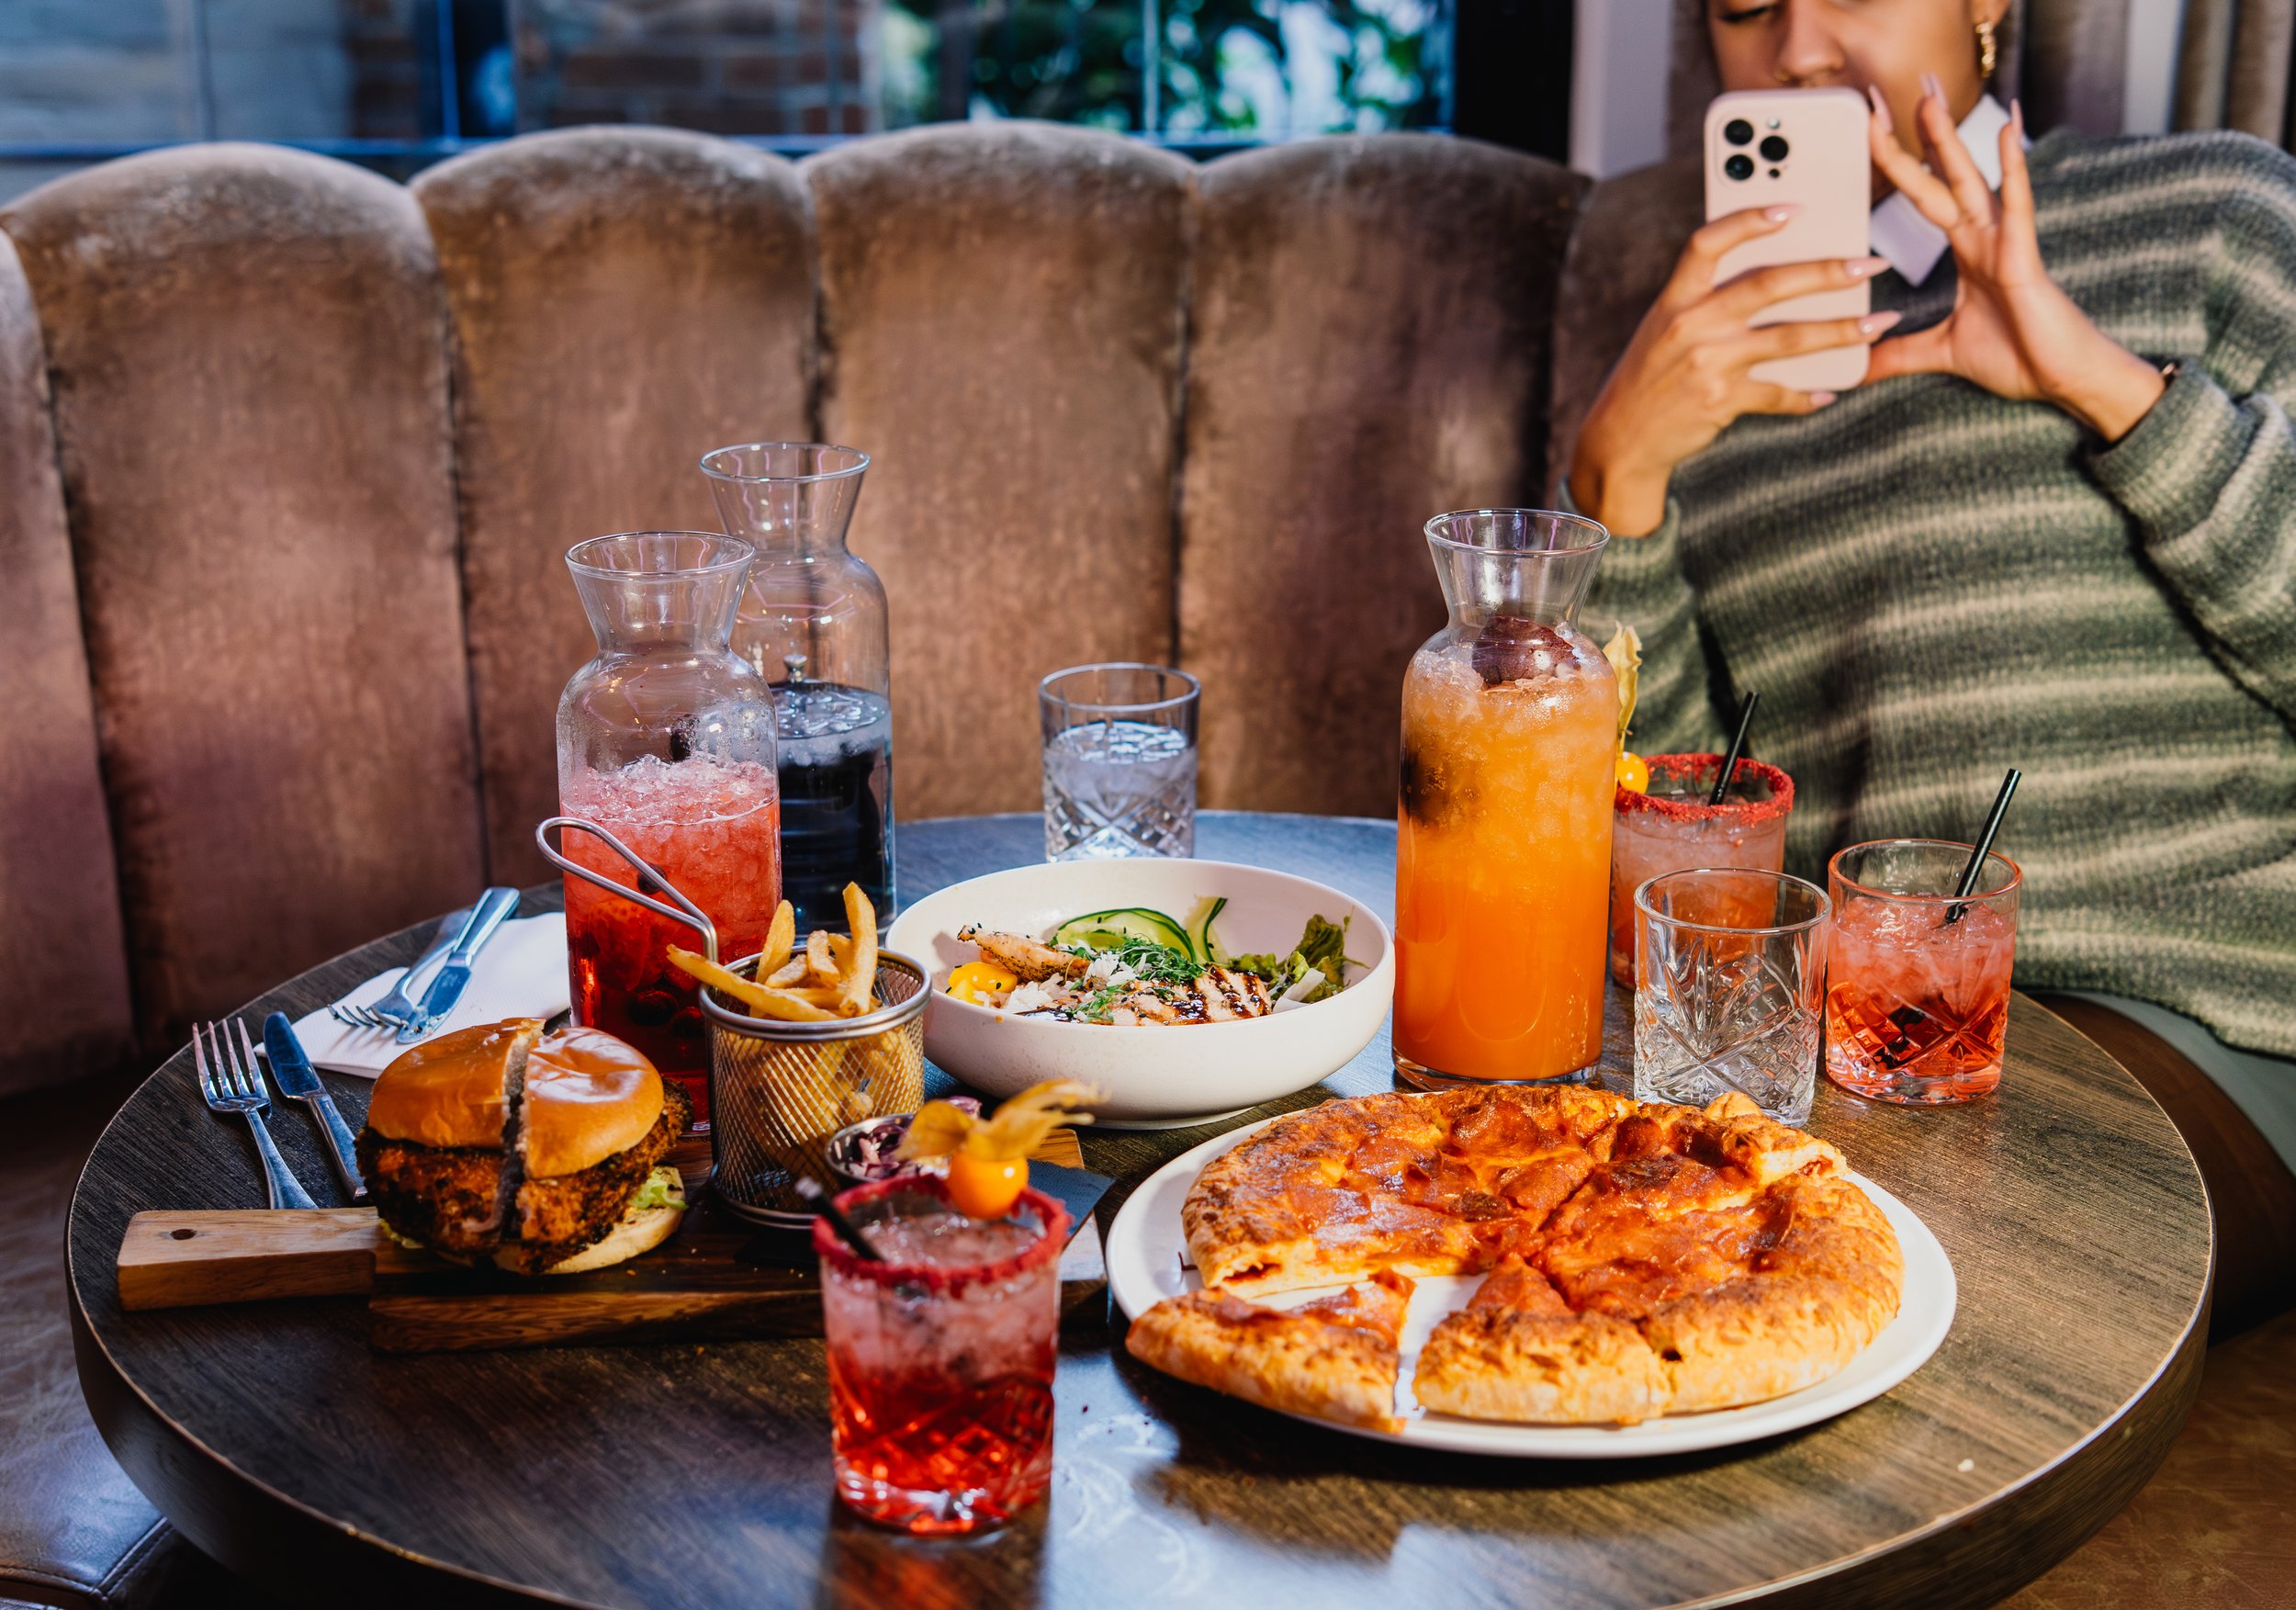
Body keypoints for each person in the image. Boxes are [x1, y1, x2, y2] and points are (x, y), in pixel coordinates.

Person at [1568, 0, 2296, 1331]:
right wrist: (1619, 475)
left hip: (2198, 1044)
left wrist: (2106, 384)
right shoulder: (1704, 360)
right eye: (1742, 7)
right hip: (1867, 1060)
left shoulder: (2215, 219)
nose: (1790, 51)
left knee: (1880, 1299)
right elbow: (1682, 874)